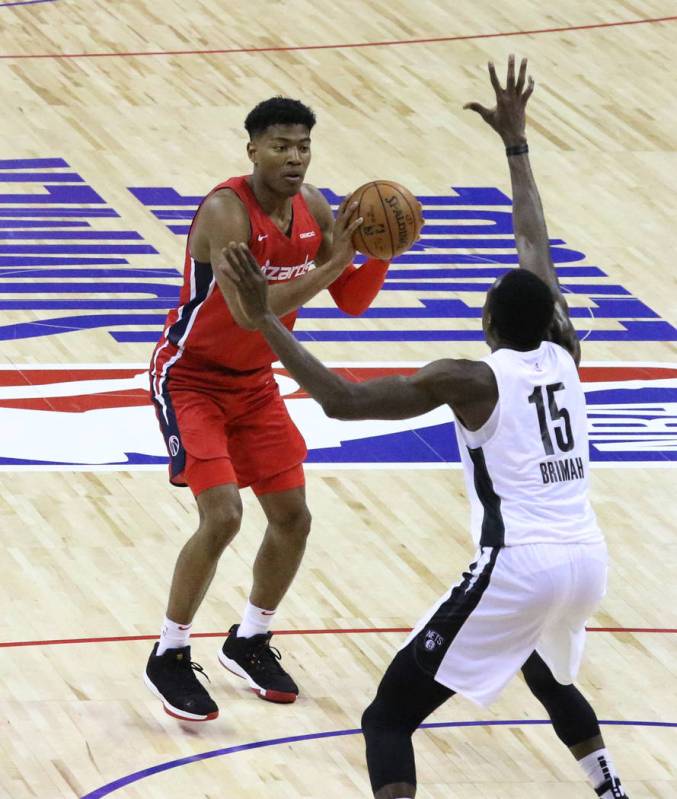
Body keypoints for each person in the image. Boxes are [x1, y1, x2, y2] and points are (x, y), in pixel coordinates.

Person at [221, 58, 629, 798]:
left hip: (521, 564)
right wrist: (517, 146)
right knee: (536, 662)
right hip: (587, 563)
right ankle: (608, 784)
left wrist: (263, 319)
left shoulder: (468, 378)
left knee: (386, 717)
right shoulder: (565, 353)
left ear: (486, 323)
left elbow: (341, 398)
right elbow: (534, 247)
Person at [144, 96, 391, 721]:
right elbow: (255, 309)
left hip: (254, 381)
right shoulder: (226, 213)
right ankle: (169, 653)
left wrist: (381, 253)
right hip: (192, 378)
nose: (294, 157)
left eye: (303, 146)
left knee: (293, 517)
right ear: (252, 148)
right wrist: (338, 258)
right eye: (281, 145)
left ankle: (250, 639)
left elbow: (352, 302)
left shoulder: (312, 208)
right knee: (222, 515)